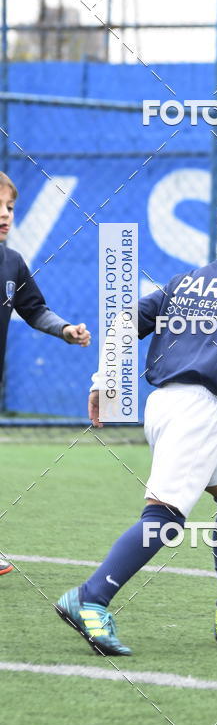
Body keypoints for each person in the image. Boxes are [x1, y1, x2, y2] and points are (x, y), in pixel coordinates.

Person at [55, 182, 217, 655]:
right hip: (198, 411)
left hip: (164, 405)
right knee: (165, 517)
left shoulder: (185, 281)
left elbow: (124, 321)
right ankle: (91, 597)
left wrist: (101, 380)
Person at [0, 171, 91, 576]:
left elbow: (34, 308)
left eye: (10, 207)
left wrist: (65, 330)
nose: (5, 215)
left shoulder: (12, 262)